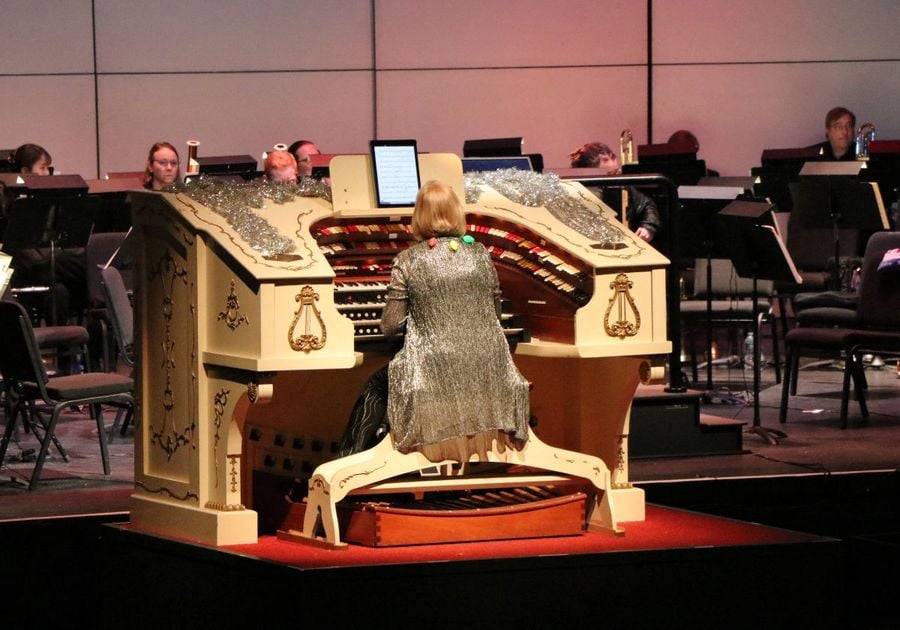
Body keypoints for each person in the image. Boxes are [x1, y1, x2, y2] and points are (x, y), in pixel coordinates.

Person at [338, 180, 530, 461]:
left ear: (419, 215)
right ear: (456, 212)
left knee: (376, 386)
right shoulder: (479, 254)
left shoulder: (409, 259)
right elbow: (494, 314)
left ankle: (345, 463)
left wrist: (420, 324)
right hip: (489, 364)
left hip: (431, 367)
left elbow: (390, 326)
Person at [568, 142, 661, 242]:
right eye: (610, 175)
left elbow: (647, 204)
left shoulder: (622, 186)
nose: (615, 179)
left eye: (617, 173)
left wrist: (648, 227)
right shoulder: (572, 193)